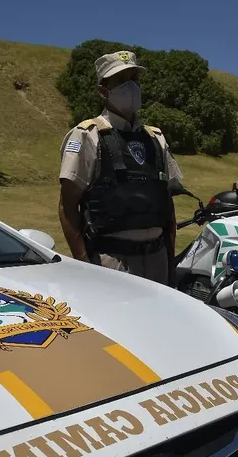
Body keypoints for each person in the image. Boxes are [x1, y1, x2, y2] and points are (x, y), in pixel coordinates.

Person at [57, 50, 184, 285]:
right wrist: (86, 265)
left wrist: (170, 261)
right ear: (102, 91)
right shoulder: (88, 136)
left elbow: (167, 204)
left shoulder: (155, 138)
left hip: (157, 258)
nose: (132, 87)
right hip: (112, 261)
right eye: (122, 81)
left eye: (135, 79)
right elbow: (67, 206)